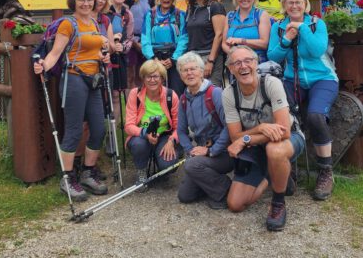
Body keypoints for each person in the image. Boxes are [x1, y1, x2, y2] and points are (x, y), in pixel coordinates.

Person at [32, 0, 110, 201]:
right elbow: (56, 53)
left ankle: (87, 172)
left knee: (98, 128)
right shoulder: (68, 24)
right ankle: (67, 178)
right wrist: (43, 66)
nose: (86, 3)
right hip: (74, 79)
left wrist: (103, 56)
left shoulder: (94, 22)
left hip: (94, 80)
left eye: (90, 0)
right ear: (73, 1)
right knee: (74, 130)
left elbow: (97, 49)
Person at [222, 45, 305, 231]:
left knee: (274, 149)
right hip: (257, 147)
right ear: (231, 69)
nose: (243, 66)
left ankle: (278, 204)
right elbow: (234, 135)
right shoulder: (229, 94)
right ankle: (273, 174)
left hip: (289, 137)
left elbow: (283, 131)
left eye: (248, 61)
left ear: (256, 63)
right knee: (235, 204)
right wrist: (261, 127)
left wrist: (247, 139)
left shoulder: (271, 84)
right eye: (237, 63)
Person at [268, 0, 338, 201]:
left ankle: (326, 171)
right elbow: (273, 56)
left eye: (299, 2)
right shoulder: (279, 27)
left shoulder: (317, 24)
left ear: (305, 5)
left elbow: (318, 50)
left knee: (315, 116)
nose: (295, 6)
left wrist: (302, 29)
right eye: (290, 3)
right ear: (284, 6)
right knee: (283, 117)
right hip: (291, 79)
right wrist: (287, 38)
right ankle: (288, 168)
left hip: (323, 78)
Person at [176, 52, 233, 209]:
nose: (189, 73)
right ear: (180, 75)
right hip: (202, 153)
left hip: (223, 153)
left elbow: (230, 126)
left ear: (202, 72)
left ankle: (226, 188)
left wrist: (211, 151)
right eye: (185, 70)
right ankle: (212, 186)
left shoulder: (215, 93)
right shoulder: (183, 99)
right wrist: (190, 150)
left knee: (192, 167)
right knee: (185, 196)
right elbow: (180, 131)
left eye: (193, 69)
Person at [124, 59, 182, 188]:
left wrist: (172, 141)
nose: (152, 80)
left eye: (155, 76)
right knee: (139, 144)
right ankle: (141, 172)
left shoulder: (171, 96)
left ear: (162, 78)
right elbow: (128, 126)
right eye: (148, 76)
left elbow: (180, 126)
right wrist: (145, 134)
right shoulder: (135, 94)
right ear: (143, 78)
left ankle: (160, 164)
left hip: (164, 136)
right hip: (141, 136)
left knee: (169, 166)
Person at [141, 0, 188, 95]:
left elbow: (184, 38)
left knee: (177, 92)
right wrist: (154, 59)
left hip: (175, 58)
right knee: (155, 93)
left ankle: (176, 113)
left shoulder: (180, 14)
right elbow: (145, 39)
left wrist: (173, 59)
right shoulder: (150, 15)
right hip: (155, 57)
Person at [184, 0, 226, 87]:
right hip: (193, 58)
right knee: (195, 92)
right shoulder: (190, 8)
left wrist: (210, 62)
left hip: (210, 57)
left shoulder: (215, 6)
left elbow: (219, 35)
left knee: (211, 93)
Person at [222, 0, 271, 64]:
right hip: (235, 62)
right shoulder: (230, 16)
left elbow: (264, 43)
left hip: (257, 63)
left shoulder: (261, 15)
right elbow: (224, 43)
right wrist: (235, 55)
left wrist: (241, 41)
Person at [127, 0, 155, 89]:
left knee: (147, 74)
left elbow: (154, 19)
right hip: (132, 42)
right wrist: (133, 42)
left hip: (147, 41)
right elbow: (125, 21)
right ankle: (134, 103)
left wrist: (146, 42)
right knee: (132, 76)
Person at [107, 0, 135, 91]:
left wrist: (123, 47)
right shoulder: (104, 10)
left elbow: (129, 38)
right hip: (104, 56)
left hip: (119, 57)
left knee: (116, 94)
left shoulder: (128, 14)